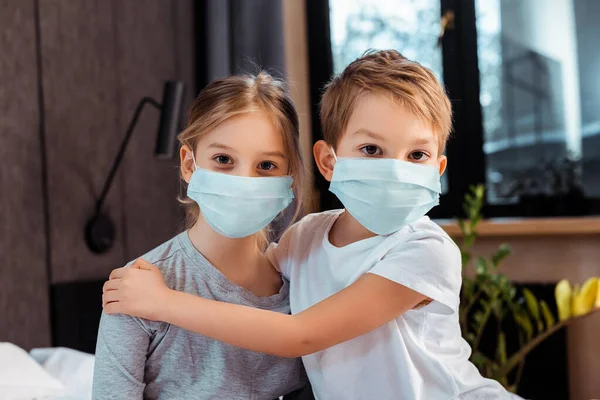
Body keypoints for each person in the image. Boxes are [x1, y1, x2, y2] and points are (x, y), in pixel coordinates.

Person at [102, 50, 510, 399]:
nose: (394, 169)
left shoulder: (424, 250)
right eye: (371, 149)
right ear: (328, 162)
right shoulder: (303, 242)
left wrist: (163, 303)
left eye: (267, 165)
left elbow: (300, 334)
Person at [92, 71, 308, 399]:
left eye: (266, 166)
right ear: (189, 164)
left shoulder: (304, 285)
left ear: (288, 177)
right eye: (224, 159)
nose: (244, 181)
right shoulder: (136, 289)